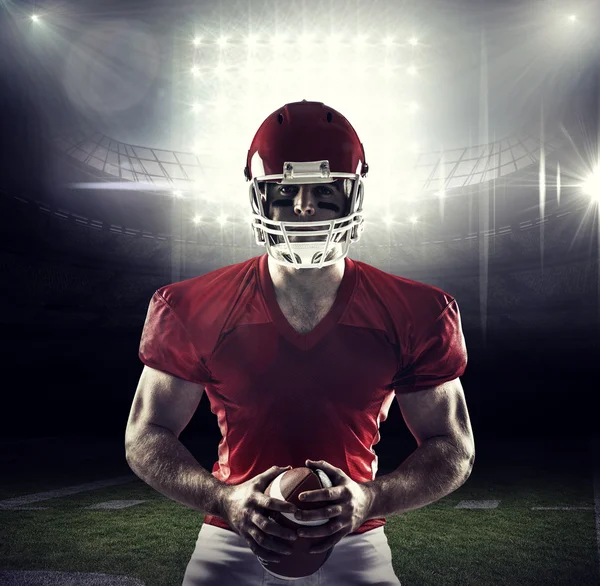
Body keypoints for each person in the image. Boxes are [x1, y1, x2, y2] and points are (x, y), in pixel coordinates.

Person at [125, 100, 475, 586]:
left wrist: (371, 499)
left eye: (324, 191)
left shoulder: (416, 311)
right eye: (287, 190)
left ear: (353, 196)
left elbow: (453, 446)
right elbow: (145, 434)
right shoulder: (192, 306)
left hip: (355, 538)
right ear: (260, 196)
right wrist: (224, 499)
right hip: (231, 535)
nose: (306, 206)